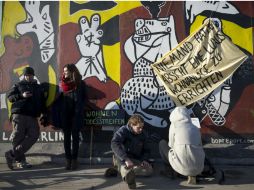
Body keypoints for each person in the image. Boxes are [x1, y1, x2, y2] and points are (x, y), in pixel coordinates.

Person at [5, 66, 48, 169]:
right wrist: (21, 95)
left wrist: (44, 114)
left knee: (34, 135)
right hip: (19, 113)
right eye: (26, 75)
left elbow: (42, 103)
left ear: (33, 76)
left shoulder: (38, 88)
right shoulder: (18, 85)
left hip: (32, 115)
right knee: (18, 137)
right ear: (24, 76)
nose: (28, 77)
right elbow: (10, 97)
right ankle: (21, 161)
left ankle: (12, 154)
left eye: (30, 75)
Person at [159, 106, 205, 184]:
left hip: (181, 165)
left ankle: (170, 170)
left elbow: (171, 145)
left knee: (162, 143)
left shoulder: (174, 126)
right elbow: (200, 145)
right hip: (199, 168)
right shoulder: (195, 128)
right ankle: (192, 174)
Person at [111, 114, 153, 189]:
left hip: (135, 159)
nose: (141, 129)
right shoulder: (123, 130)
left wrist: (145, 160)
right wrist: (126, 159)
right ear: (131, 125)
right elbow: (114, 143)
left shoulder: (143, 134)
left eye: (142, 127)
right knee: (126, 169)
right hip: (122, 158)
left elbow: (147, 150)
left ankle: (127, 172)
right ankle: (129, 178)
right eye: (138, 127)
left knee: (149, 171)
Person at [59, 63, 86, 170]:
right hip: (65, 113)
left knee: (75, 137)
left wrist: (80, 107)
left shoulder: (80, 83)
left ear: (72, 71)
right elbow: (58, 98)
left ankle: (74, 160)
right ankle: (68, 160)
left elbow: (84, 97)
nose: (64, 73)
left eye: (66, 71)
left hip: (76, 114)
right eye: (64, 71)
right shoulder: (62, 83)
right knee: (66, 137)